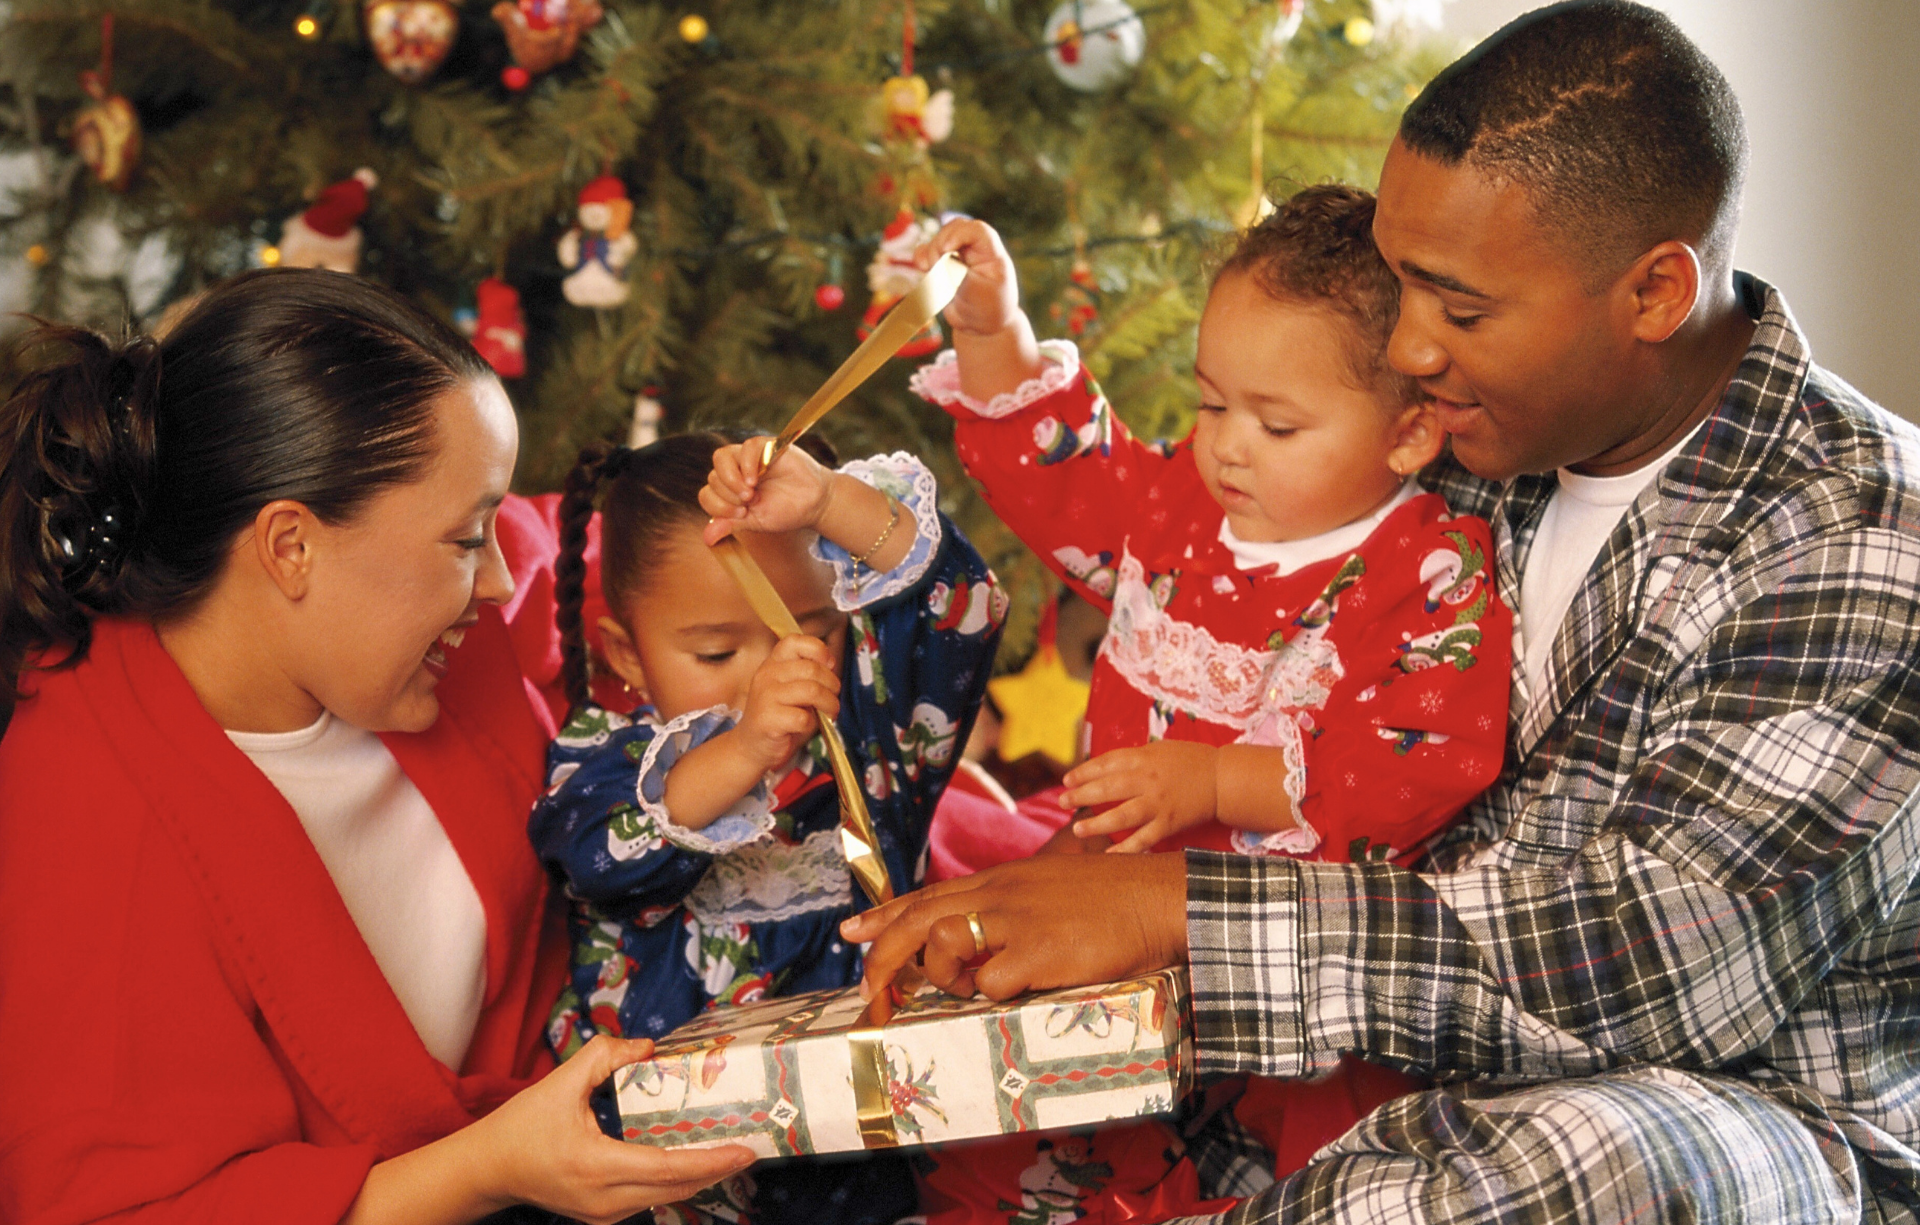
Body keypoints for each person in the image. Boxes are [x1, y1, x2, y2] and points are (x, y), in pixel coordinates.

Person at [847, 2, 1920, 1221]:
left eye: (1459, 310)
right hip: (1366, 1057)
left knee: (1593, 1155)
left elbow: (1652, 969)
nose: (1406, 349)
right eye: (1400, 287)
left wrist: (1171, 907)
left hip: (1714, 1106)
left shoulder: (1863, 540)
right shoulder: (1448, 437)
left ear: (1654, 291)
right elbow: (1153, 523)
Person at [0, 268, 753, 1225]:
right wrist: (487, 1166)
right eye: (466, 536)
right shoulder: (87, 829)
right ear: (291, 548)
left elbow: (592, 557)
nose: (498, 578)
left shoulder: (420, 633)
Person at [898, 186, 1513, 1217]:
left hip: (1280, 957)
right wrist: (996, 331)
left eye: (1276, 424)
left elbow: (1422, 758)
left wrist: (1221, 779)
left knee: (1317, 1159)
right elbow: (1073, 477)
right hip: (1106, 901)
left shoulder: (1426, 570)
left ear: (1408, 436)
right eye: (1212, 403)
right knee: (1022, 1101)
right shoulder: (1184, 503)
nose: (1227, 444)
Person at [528, 431, 1002, 1223]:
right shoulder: (605, 760)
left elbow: (962, 610)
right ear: (628, 654)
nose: (772, 671)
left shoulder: (876, 743)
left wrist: (828, 501)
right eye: (717, 650)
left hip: (859, 1154)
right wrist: (745, 746)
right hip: (662, 1169)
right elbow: (595, 856)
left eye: (807, 632)